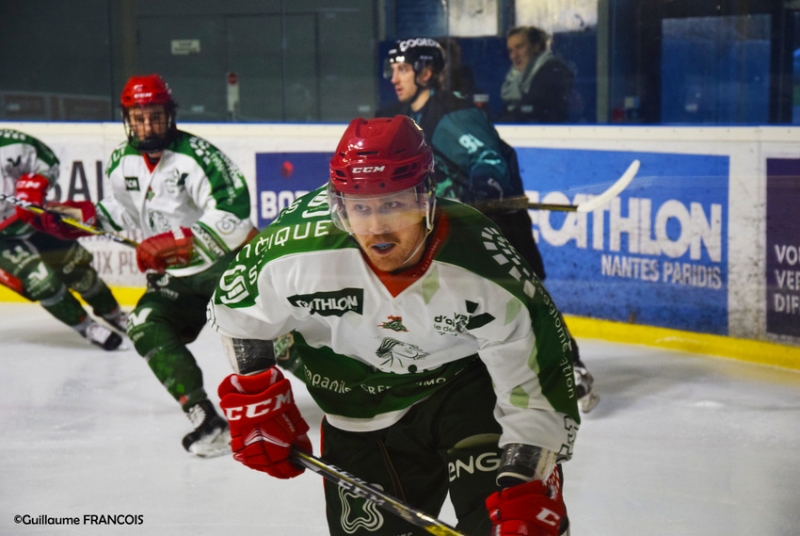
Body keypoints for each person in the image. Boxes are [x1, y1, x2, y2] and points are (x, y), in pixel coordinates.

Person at [207, 116, 579, 536]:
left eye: (393, 204)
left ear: (425, 198)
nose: (377, 228)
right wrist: (257, 392)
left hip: (463, 393)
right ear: (339, 204)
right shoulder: (294, 251)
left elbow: (537, 374)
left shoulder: (482, 262)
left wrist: (526, 478)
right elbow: (238, 309)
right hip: (354, 409)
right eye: (360, 208)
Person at [35, 74, 256, 457]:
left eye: (155, 116)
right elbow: (121, 213)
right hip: (175, 281)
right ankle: (205, 418)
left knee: (276, 341)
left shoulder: (197, 156)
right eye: (138, 118)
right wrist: (73, 217)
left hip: (225, 268)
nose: (147, 126)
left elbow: (234, 214)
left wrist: (173, 242)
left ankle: (356, 395)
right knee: (143, 325)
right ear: (127, 120)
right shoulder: (122, 162)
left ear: (170, 115)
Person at [377, 38, 598, 412]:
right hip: (456, 225)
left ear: (426, 72)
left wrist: (485, 185)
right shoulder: (409, 118)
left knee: (524, 298)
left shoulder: (451, 113)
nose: (395, 77)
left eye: (403, 69)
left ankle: (570, 369)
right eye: (393, 70)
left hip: (496, 224)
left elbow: (487, 158)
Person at [0, 128, 125, 350]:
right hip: (3, 242)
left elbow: (49, 162)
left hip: (33, 219)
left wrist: (36, 183)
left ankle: (115, 314)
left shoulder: (12, 144)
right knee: (42, 283)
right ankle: (87, 327)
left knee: (77, 269)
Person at [499, 26, 574, 124]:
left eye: (520, 47)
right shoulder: (515, 77)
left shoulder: (552, 70)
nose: (514, 56)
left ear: (535, 46)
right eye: (511, 51)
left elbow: (535, 110)